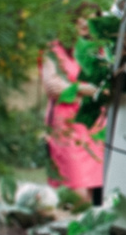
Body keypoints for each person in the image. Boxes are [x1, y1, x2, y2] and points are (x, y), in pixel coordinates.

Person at [40, 39, 107, 196]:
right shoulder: (52, 50)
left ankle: (90, 220)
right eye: (77, 17)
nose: (83, 22)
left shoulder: (100, 49)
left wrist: (72, 90)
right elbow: (52, 87)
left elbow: (107, 89)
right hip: (66, 127)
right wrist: (88, 90)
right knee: (74, 186)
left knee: (97, 187)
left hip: (95, 125)